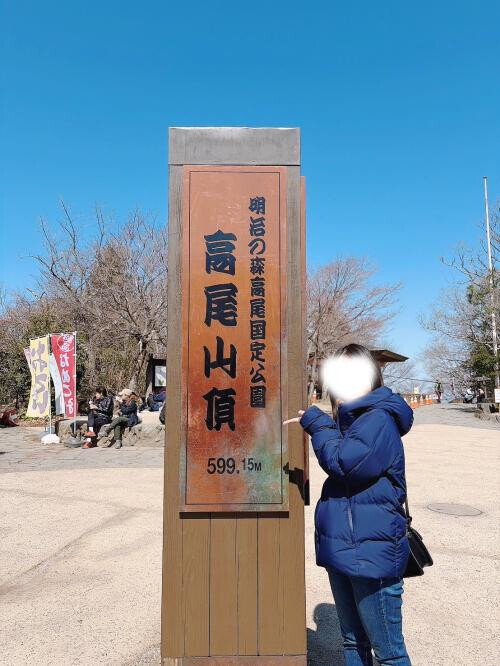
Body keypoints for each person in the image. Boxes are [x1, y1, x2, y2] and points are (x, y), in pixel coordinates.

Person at [284, 343, 414, 666]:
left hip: (372, 555)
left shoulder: (378, 419)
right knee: (353, 642)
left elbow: (345, 464)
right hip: (346, 550)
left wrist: (319, 425)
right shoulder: (351, 421)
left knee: (389, 653)